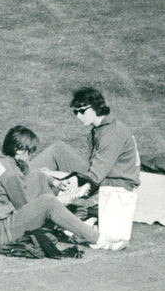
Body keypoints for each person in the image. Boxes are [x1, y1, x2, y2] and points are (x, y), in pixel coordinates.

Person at [27, 86, 141, 251]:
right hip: (106, 176)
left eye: (81, 111)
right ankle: (17, 175)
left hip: (116, 185)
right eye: (75, 112)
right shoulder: (103, 127)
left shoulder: (111, 134)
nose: (78, 116)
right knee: (58, 149)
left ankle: (18, 184)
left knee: (58, 182)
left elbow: (94, 177)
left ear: (95, 107)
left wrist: (55, 177)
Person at [0, 125, 100, 247]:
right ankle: (97, 239)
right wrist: (59, 201)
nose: (34, 154)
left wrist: (55, 182)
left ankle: (67, 218)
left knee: (38, 176)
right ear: (19, 150)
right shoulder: (11, 174)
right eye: (31, 151)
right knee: (48, 202)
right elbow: (25, 207)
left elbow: (32, 175)